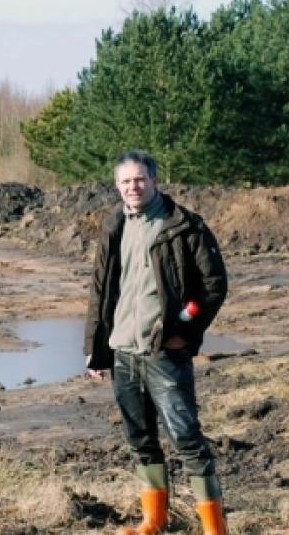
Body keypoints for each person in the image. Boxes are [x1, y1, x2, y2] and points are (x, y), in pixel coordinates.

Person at [84, 150, 229, 535]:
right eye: (126, 181)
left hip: (164, 353)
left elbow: (213, 285)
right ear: (117, 186)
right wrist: (97, 349)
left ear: (154, 181)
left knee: (186, 439)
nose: (133, 186)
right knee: (140, 439)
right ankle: (153, 522)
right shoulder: (115, 224)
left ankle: (215, 530)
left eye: (140, 179)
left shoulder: (184, 226)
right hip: (123, 353)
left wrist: (185, 329)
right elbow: (101, 291)